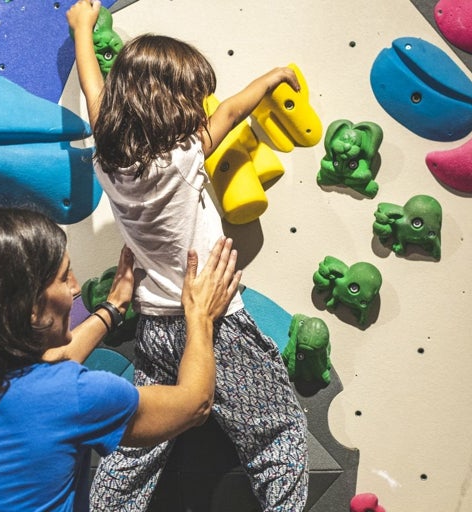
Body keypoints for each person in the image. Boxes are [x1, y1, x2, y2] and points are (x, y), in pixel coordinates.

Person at [67, 2, 309, 511]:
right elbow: (230, 112)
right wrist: (273, 77)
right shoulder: (182, 158)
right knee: (279, 436)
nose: (201, 109)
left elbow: (95, 93)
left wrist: (82, 30)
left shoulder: (109, 161)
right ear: (165, 103)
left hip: (155, 325)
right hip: (214, 324)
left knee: (139, 447)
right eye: (191, 99)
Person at [0, 206, 241, 511]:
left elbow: (45, 378)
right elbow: (194, 403)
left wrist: (113, 309)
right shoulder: (70, 396)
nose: (75, 287)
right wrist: (199, 316)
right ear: (27, 308)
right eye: (62, 277)